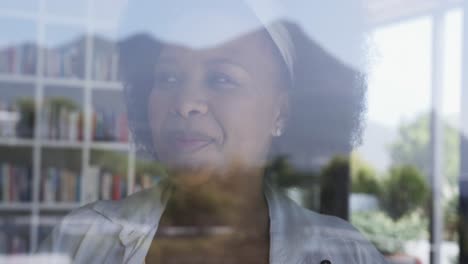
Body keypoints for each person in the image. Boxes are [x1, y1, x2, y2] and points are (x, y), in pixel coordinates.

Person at [39, 1, 388, 263]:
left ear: (281, 111)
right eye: (169, 78)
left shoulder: (346, 254)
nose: (186, 102)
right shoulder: (81, 241)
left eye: (222, 78)